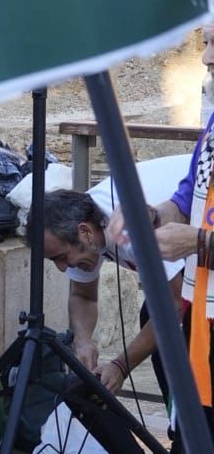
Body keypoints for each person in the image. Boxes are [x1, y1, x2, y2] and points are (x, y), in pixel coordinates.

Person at [107, 21, 214, 454]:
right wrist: (157, 217)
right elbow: (188, 199)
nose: (207, 55)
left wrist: (199, 247)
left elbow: (201, 232)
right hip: (204, 339)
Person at [41, 166, 185, 399]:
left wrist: (120, 366)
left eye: (61, 257)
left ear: (85, 232)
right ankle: (181, 426)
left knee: (171, 324)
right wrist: (83, 341)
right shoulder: (91, 223)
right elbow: (82, 295)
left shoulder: (129, 227)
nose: (62, 268)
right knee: (153, 317)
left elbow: (174, 306)